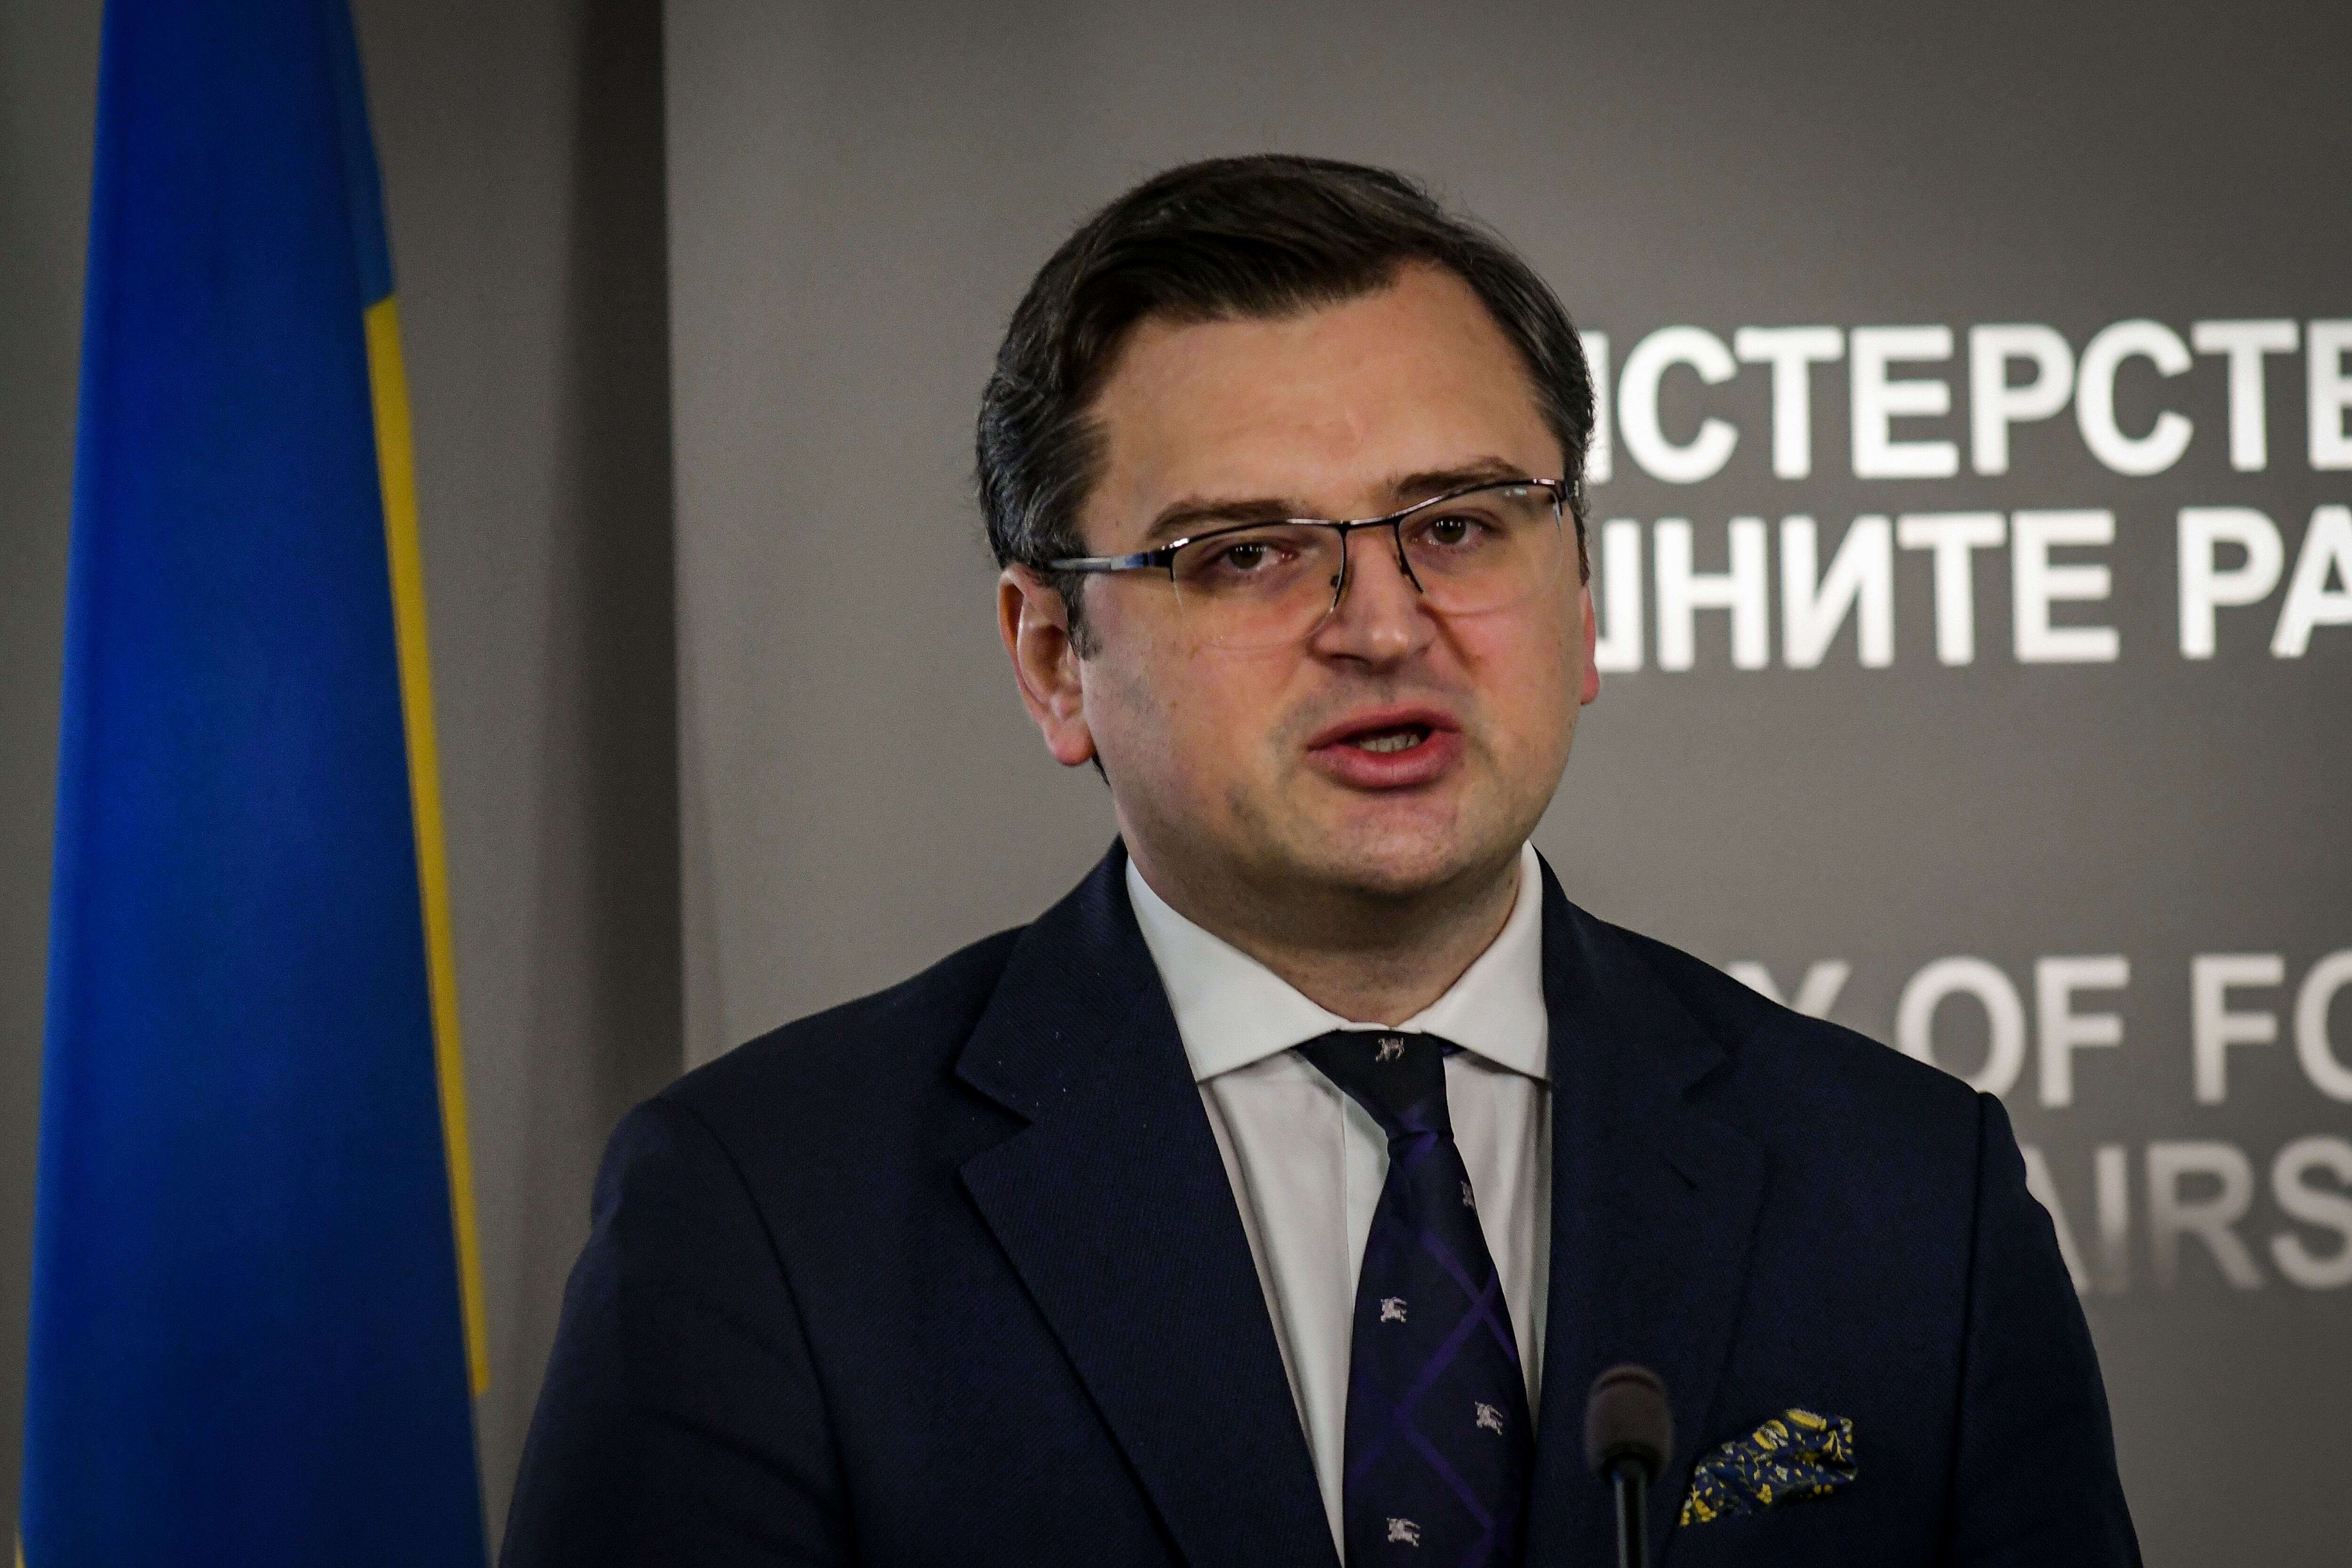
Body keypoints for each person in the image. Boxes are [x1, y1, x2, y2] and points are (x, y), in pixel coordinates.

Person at [501, 155, 2140, 1567]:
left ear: (1585, 595)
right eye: (1249, 554)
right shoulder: (765, 1220)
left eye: (1460, 521)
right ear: (1054, 657)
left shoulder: (1912, 1196)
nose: (1380, 624)